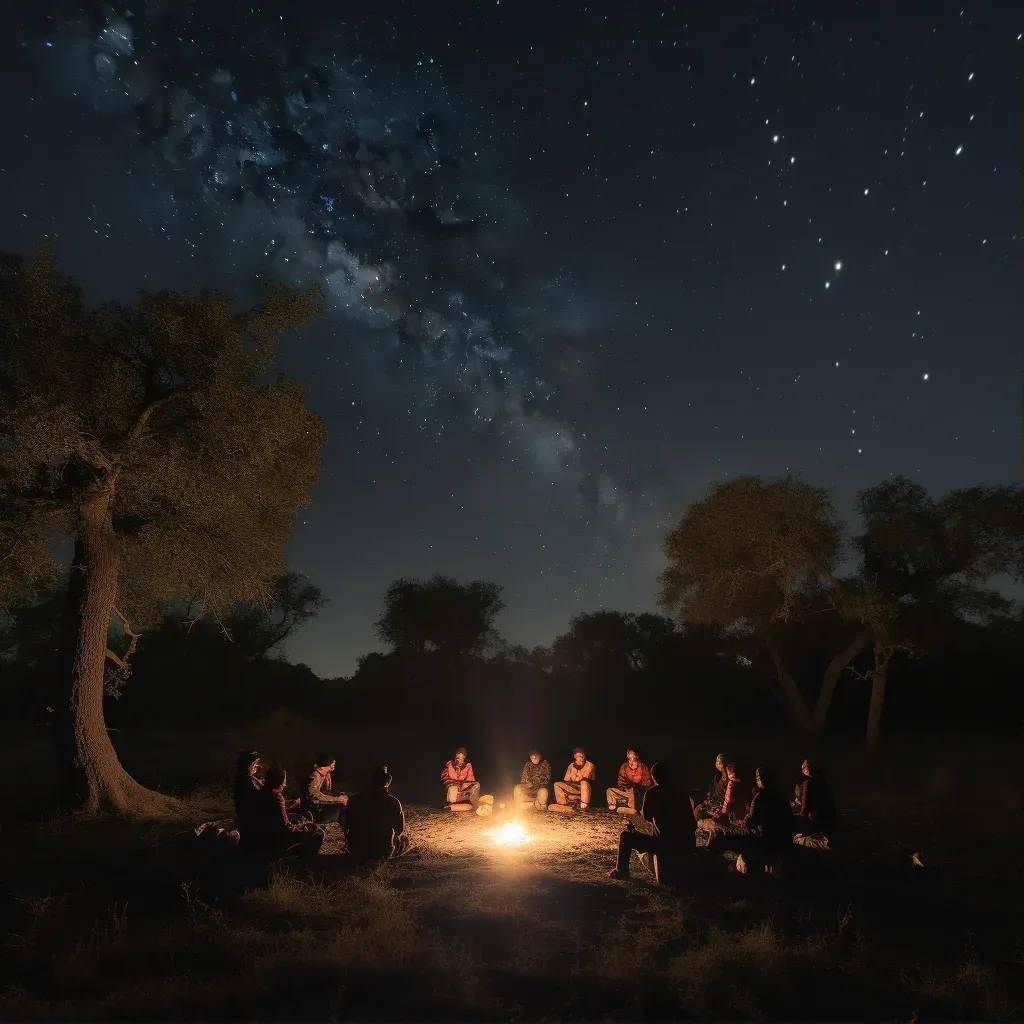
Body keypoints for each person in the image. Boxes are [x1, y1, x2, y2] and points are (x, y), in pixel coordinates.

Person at [608, 762, 695, 880]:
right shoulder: (682, 793)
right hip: (687, 844)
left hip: (666, 845)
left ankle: (621, 871)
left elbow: (647, 818)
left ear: (654, 777)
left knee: (625, 837)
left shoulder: (653, 793)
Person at [238, 767, 324, 860]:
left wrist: (292, 804)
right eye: (284, 781)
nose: (285, 784)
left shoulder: (261, 793)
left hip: (259, 839)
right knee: (318, 833)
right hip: (274, 842)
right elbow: (285, 827)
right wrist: (303, 828)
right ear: (279, 782)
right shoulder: (277, 798)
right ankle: (301, 862)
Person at [730, 766, 796, 872]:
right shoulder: (781, 795)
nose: (756, 779)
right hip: (786, 840)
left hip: (769, 841)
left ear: (763, 779)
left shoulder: (760, 797)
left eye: (757, 777)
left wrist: (739, 823)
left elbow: (750, 822)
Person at [344, 764, 413, 866]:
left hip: (356, 851)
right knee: (404, 839)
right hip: (381, 853)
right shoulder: (393, 802)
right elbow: (399, 829)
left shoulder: (353, 800)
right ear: (387, 783)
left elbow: (347, 825)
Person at [792, 759, 838, 835]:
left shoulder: (808, 783)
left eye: (804, 766)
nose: (802, 767)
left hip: (816, 820)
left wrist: (799, 812)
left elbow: (805, 806)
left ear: (807, 769)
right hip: (829, 818)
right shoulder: (825, 782)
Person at [303, 754, 348, 825]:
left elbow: (326, 792)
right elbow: (313, 795)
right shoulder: (316, 775)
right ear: (328, 763)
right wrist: (337, 799)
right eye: (332, 761)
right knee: (342, 805)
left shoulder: (325, 774)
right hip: (314, 810)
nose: (334, 763)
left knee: (344, 800)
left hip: (319, 804)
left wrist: (339, 796)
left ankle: (344, 826)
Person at [606, 747, 652, 813]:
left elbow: (647, 782)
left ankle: (625, 809)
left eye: (633, 755)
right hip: (626, 792)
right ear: (627, 755)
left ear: (637, 756)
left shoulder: (642, 766)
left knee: (634, 795)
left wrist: (637, 787)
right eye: (630, 755)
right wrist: (625, 788)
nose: (631, 762)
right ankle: (616, 807)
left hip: (637, 793)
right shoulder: (624, 766)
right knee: (610, 791)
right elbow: (621, 781)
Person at [553, 747, 596, 811]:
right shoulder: (571, 765)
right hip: (573, 786)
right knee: (557, 784)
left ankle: (584, 803)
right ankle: (563, 804)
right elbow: (566, 779)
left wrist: (577, 773)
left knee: (584, 782)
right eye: (576, 756)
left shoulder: (589, 765)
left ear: (584, 756)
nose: (579, 758)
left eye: (580, 756)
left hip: (583, 788)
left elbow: (585, 778)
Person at [233, 749, 263, 833]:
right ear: (247, 765)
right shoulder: (246, 779)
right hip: (250, 818)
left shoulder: (243, 778)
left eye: (256, 763)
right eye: (254, 764)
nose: (256, 766)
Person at [693, 752, 730, 819]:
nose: (718, 763)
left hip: (720, 807)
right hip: (713, 802)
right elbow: (712, 788)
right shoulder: (718, 776)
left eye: (720, 762)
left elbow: (725, 797)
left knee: (699, 814)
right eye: (717, 761)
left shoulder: (729, 778)